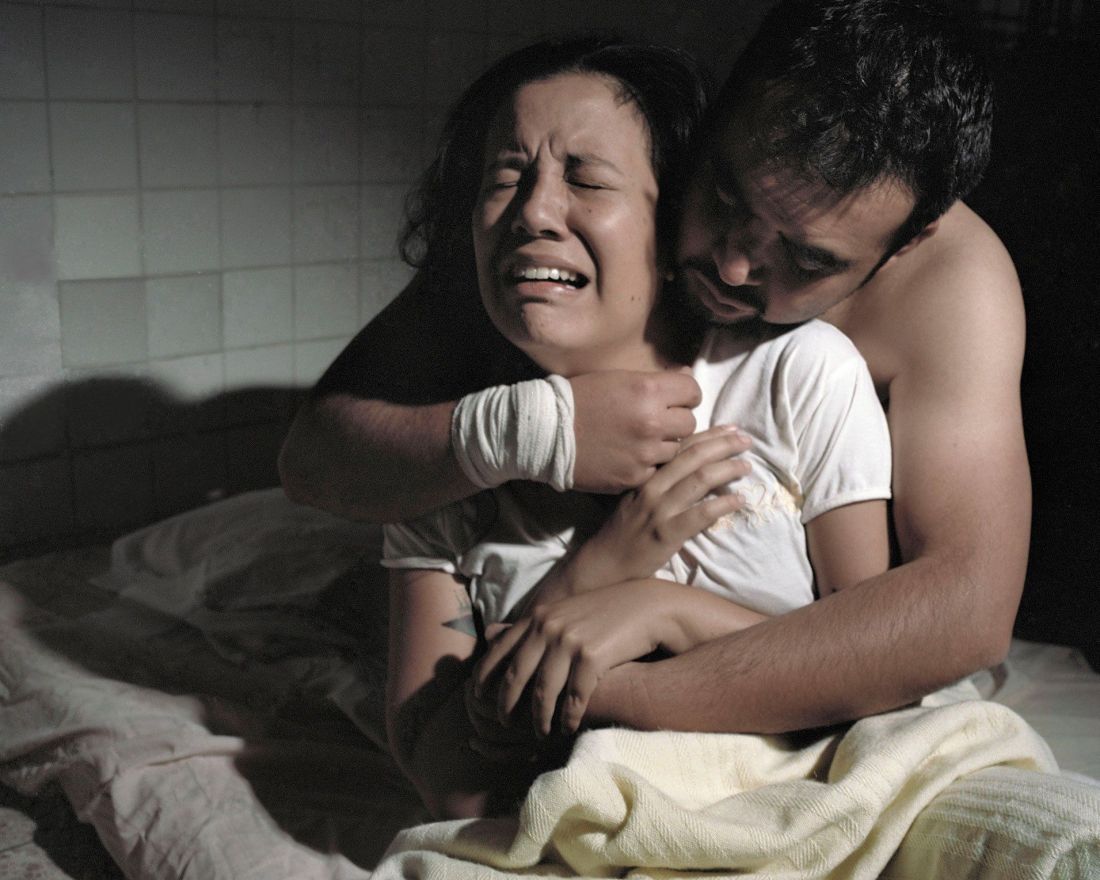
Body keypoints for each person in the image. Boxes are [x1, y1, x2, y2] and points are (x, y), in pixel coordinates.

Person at [280, 0, 1028, 737]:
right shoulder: (557, 212)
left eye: (807, 260)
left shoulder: (948, 290)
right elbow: (314, 455)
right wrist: (541, 430)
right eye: (726, 198)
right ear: (713, 123)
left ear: (906, 244)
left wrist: (610, 686)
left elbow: (964, 613)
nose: (734, 266)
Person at [375, 36, 893, 819]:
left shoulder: (798, 373)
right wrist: (599, 570)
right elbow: (449, 781)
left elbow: (875, 684)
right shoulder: (444, 459)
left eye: (585, 178)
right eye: (504, 177)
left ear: (677, 214)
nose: (533, 212)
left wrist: (662, 610)